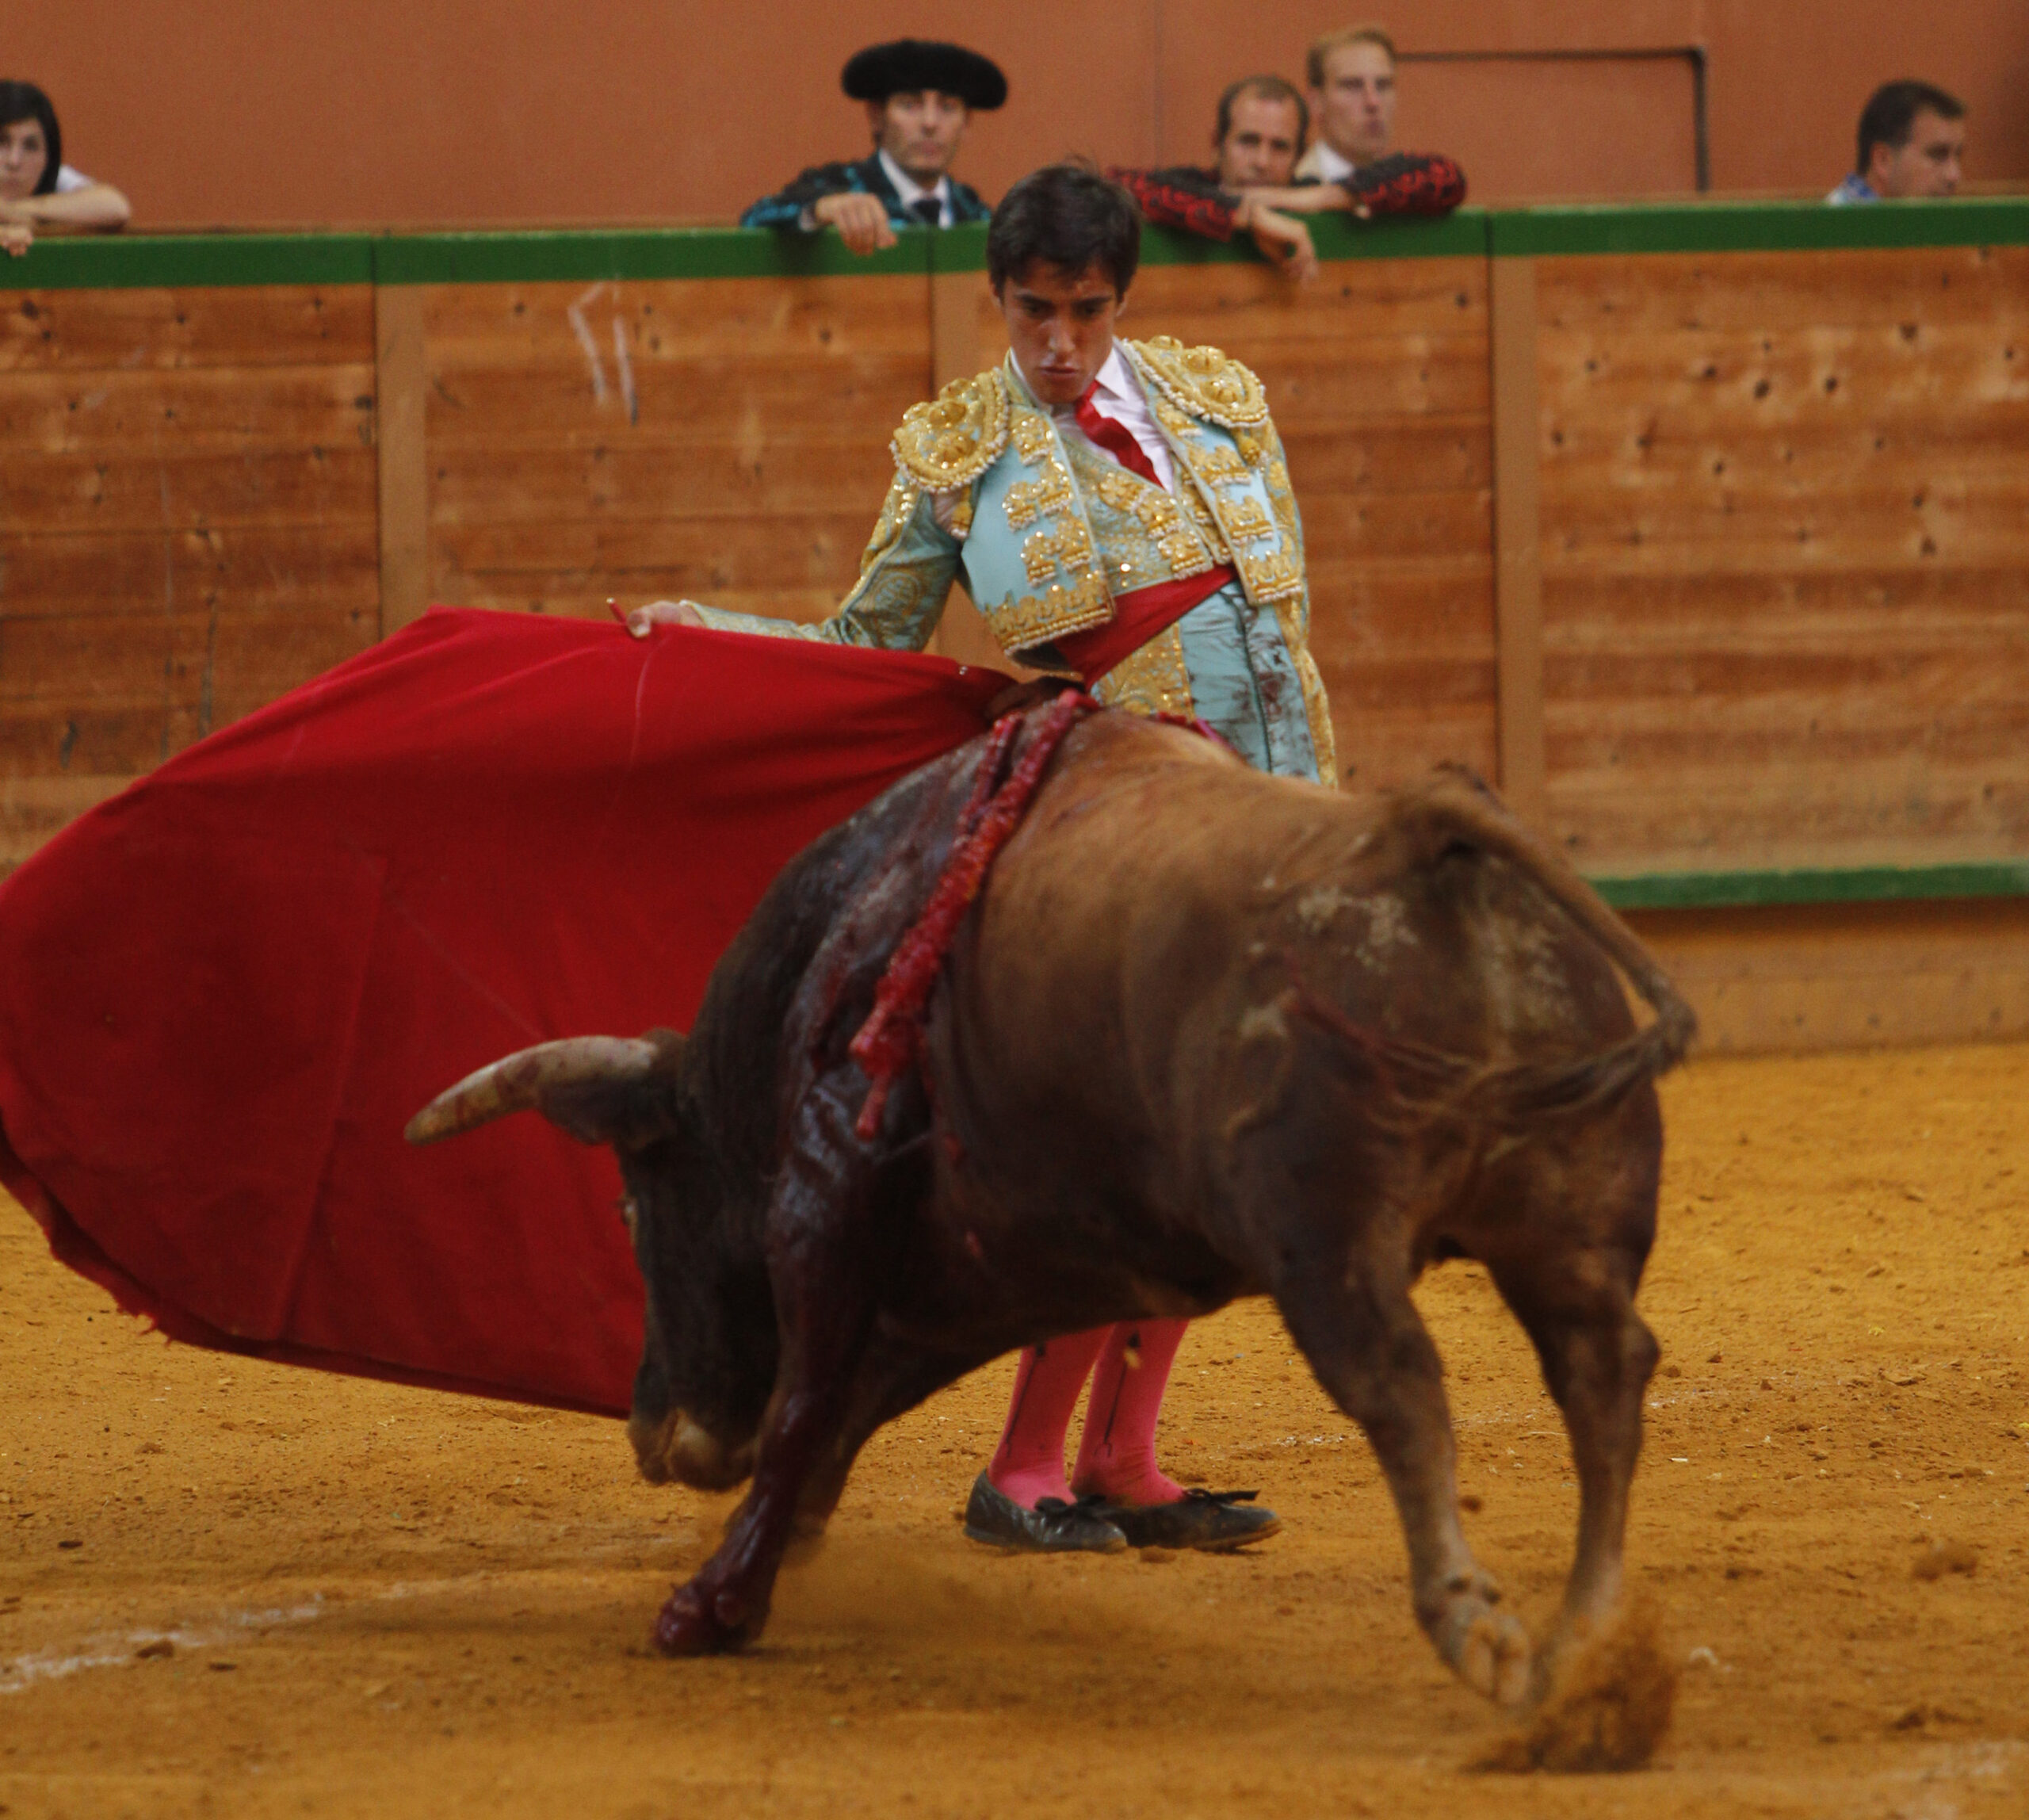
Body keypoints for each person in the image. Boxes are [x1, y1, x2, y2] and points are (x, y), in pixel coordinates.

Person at [631, 162, 1340, 1553]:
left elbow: (1280, 625)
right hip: (1118, 843)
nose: (1058, 344)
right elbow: (865, 648)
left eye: (1082, 312)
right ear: (997, 301)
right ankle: (1024, 1472)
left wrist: (1313, 806)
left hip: (1271, 806)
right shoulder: (960, 450)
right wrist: (713, 631)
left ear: (1121, 300)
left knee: (1218, 1131)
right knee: (1131, 1143)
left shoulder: (1221, 402)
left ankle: (1126, 1461)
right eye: (1033, 315)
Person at [1112, 71, 1462, 282]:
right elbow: (1113, 184)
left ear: (1298, 155)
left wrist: (1327, 197)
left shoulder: (1309, 194)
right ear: (1218, 144)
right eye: (1248, 141)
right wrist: (1247, 214)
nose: (1262, 162)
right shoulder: (1191, 185)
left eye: (1280, 147)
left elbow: (1446, 177)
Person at [741, 40, 1003, 256]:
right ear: (877, 116)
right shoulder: (840, 186)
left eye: (947, 107)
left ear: (966, 122)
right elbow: (756, 219)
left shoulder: (975, 214)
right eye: (910, 105)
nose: (930, 123)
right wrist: (821, 210)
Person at [1294, 25, 1465, 215]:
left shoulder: (1414, 191)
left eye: (1383, 85)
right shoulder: (1291, 184)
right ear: (1316, 102)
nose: (1373, 102)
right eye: (1353, 86)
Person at [0, 81, 129, 257]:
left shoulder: (55, 175)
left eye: (31, 146)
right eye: (2, 142)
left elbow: (115, 207)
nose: (14, 161)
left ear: (48, 157)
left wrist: (12, 211)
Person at [1827, 81, 1966, 203]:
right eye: (1937, 154)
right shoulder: (1836, 228)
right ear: (1883, 160)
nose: (1953, 176)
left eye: (1958, 156)